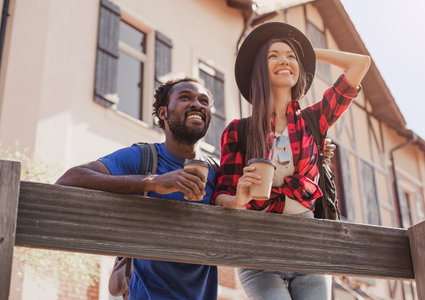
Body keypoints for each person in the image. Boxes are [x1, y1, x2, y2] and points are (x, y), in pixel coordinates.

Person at [213, 22, 371, 300]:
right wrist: (237, 200)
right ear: (260, 68)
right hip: (258, 250)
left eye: (290, 56)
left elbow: (360, 64)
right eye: (273, 55)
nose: (284, 60)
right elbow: (221, 195)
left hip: (309, 245)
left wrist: (307, 52)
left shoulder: (314, 120)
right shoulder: (238, 130)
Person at [56, 78, 218, 300]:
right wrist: (153, 182)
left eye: (203, 100)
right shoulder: (143, 157)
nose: (197, 104)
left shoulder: (217, 171)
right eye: (185, 97)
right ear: (163, 113)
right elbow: (69, 179)